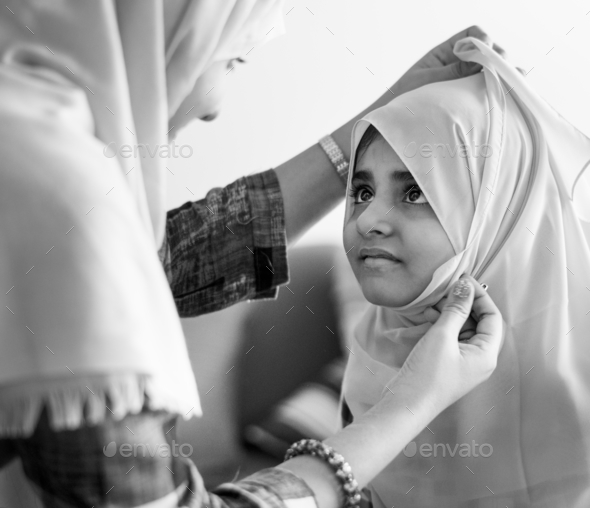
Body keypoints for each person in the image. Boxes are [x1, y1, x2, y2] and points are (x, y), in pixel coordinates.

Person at [0, 1, 505, 506]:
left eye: (414, 192)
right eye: (233, 60)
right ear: (174, 32)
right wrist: (408, 406)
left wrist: (378, 117)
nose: (213, 109)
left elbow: (161, 262)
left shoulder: (24, 143)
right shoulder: (56, 200)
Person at [340, 37, 590, 508]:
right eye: (362, 190)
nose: (366, 220)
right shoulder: (377, 339)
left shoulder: (571, 387)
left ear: (496, 212)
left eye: (415, 193)